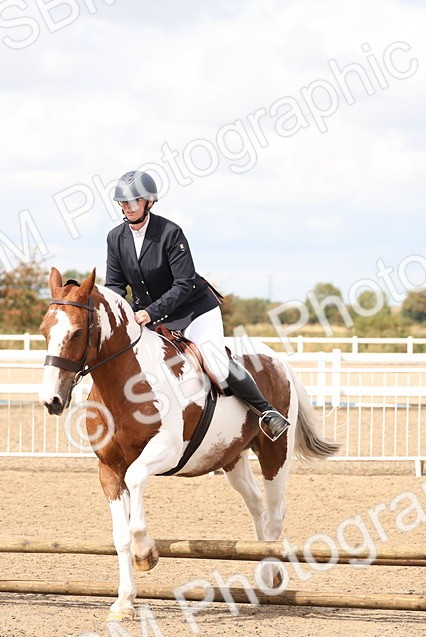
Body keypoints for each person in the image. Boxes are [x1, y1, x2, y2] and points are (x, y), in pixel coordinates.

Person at [104, 170, 289, 441]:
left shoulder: (169, 233)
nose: (128, 207)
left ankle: (266, 412)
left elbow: (184, 283)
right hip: (150, 317)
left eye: (134, 201)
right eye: (123, 202)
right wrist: (118, 315)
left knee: (216, 364)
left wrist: (149, 312)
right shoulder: (115, 237)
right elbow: (115, 286)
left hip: (193, 310)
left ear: (149, 202)